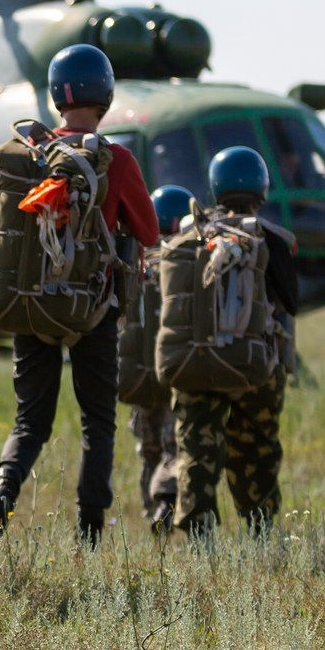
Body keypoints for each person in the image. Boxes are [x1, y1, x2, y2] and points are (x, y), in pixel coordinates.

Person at [0, 44, 158, 548]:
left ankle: (3, 493)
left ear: (57, 96)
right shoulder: (116, 159)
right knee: (98, 422)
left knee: (30, 421)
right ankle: (89, 531)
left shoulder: (31, 155)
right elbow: (148, 231)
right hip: (92, 311)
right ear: (106, 95)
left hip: (31, 304)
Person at [170, 145, 300, 537]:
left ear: (215, 186)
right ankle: (259, 530)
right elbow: (291, 301)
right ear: (262, 187)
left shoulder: (189, 236)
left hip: (196, 362)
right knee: (257, 447)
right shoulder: (272, 238)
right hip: (255, 366)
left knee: (196, 448)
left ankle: (198, 536)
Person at [128, 183, 194, 532]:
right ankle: (167, 503)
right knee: (173, 447)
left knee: (148, 449)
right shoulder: (185, 262)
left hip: (140, 377)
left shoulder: (136, 264)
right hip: (173, 373)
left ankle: (152, 510)